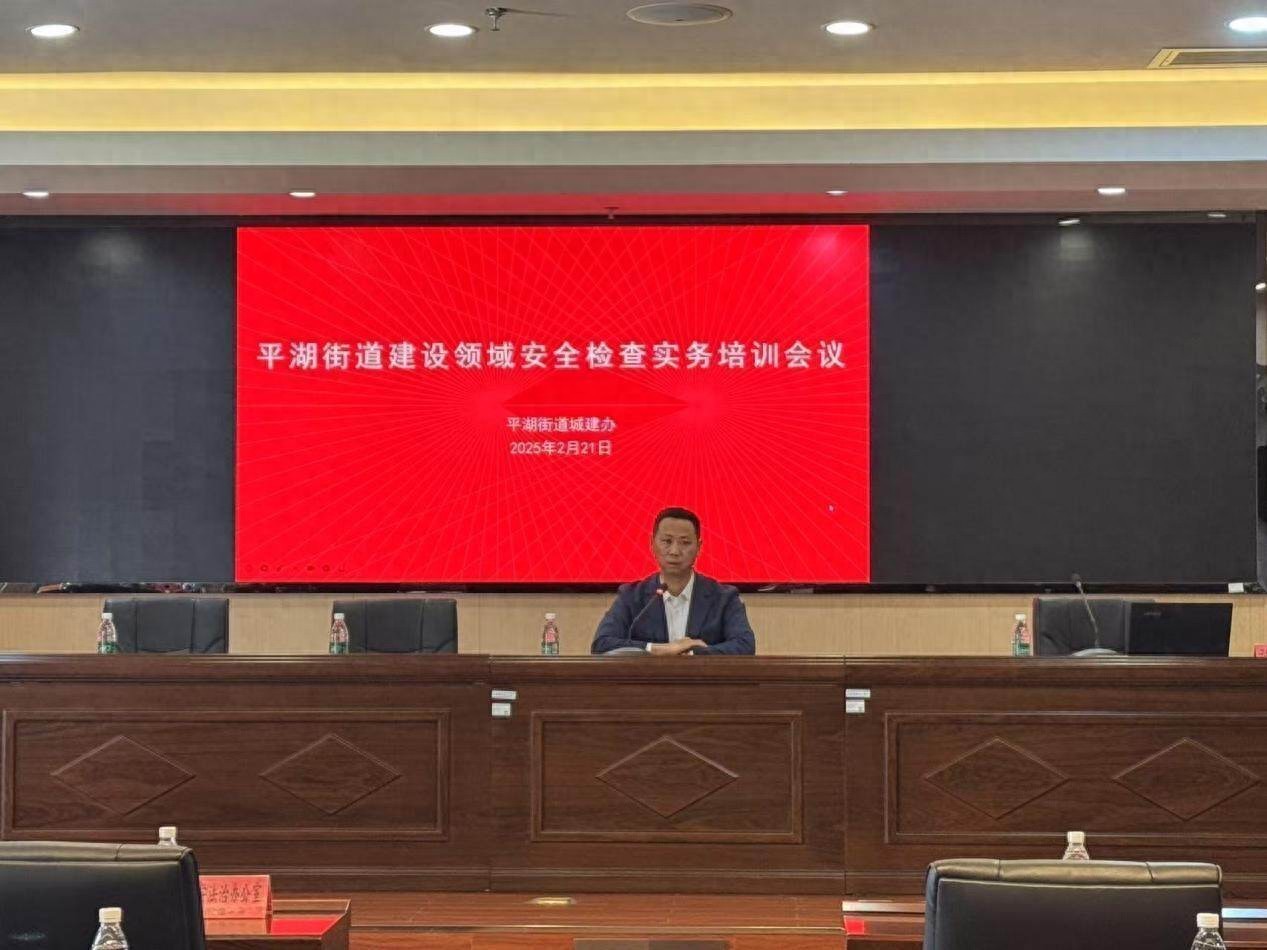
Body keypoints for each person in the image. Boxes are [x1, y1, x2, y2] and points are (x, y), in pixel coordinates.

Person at [590, 507, 756, 655]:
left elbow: (745, 645)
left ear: (699, 547)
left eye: (685, 543)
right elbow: (602, 644)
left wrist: (692, 653)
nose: (675, 551)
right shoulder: (631, 596)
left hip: (702, 681)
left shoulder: (724, 598)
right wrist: (658, 649)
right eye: (667, 541)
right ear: (652, 544)